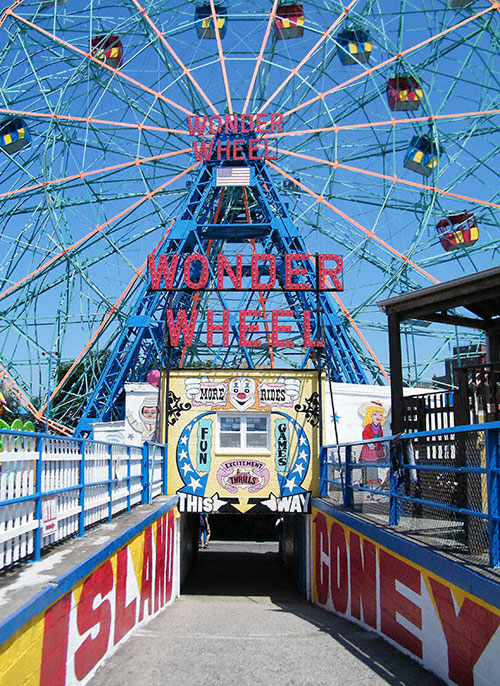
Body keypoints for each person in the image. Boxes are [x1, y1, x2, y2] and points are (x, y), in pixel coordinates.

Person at [358, 401, 388, 487]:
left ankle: (375, 479)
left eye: (380, 415)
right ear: (370, 415)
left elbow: (381, 436)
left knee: (376, 463)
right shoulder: (368, 427)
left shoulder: (380, 428)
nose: (378, 417)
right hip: (369, 449)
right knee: (369, 463)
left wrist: (381, 443)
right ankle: (368, 480)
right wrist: (370, 444)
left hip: (377, 448)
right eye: (375, 414)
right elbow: (365, 435)